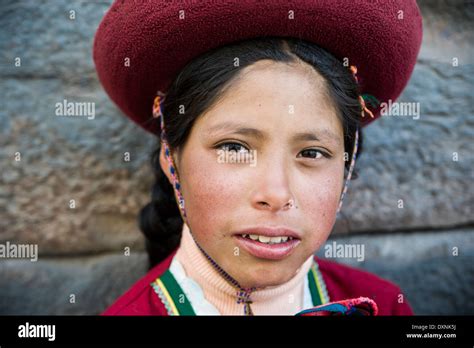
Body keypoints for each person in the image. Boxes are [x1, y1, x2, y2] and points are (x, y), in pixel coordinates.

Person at [93, 0, 423, 316]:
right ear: (171, 157)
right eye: (234, 148)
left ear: (346, 168)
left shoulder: (384, 306)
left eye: (311, 153)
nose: (277, 195)